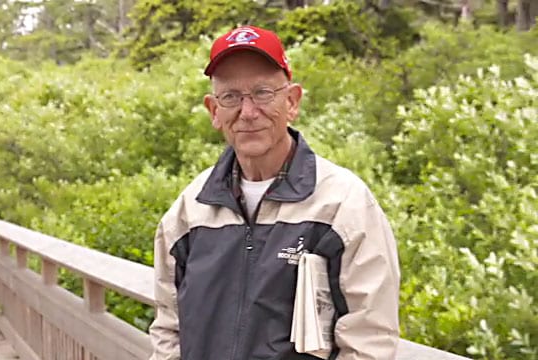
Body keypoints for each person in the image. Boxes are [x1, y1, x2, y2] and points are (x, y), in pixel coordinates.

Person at [149, 25, 400, 360]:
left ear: (292, 101)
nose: (248, 112)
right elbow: (169, 326)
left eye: (263, 93)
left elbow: (369, 341)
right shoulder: (189, 210)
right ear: (214, 111)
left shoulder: (343, 205)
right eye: (231, 97)